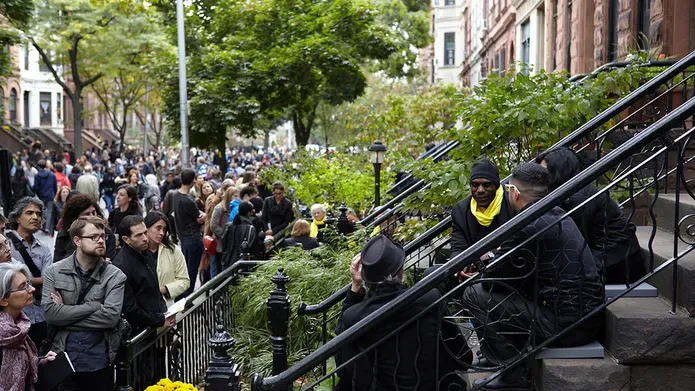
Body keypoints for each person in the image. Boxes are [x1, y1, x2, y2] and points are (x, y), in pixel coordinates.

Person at [463, 163, 604, 390]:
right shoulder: (553, 213)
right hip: (586, 318)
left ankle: (512, 371)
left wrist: (478, 266)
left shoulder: (529, 224)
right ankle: (496, 356)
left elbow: (495, 276)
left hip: (567, 327)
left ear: (514, 193)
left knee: (474, 293)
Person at [335, 235, 469, 391]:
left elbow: (342, 360)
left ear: (367, 279)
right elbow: (462, 355)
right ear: (400, 270)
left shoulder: (356, 315)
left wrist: (355, 287)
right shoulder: (430, 299)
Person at [536, 148, 646, 284]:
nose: (540, 178)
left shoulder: (579, 198)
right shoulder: (573, 191)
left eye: (544, 172)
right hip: (605, 256)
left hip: (617, 263)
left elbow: (570, 238)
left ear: (559, 170)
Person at [42, 216, 127, 391]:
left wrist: (64, 313)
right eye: (93, 237)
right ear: (77, 240)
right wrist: (95, 306)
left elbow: (110, 318)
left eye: (103, 236)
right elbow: (50, 315)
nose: (101, 241)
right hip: (64, 358)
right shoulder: (54, 272)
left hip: (99, 361)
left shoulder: (115, 275)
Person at [0, 263, 58, 391]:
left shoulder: (19, 326)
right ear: (3, 299)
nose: (32, 289)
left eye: (28, 283)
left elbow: (21, 367)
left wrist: (40, 362)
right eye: (23, 287)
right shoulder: (5, 334)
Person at [113, 215, 175, 333]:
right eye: (138, 235)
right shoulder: (121, 266)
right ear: (126, 239)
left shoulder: (145, 253)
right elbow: (130, 309)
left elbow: (154, 288)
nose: (145, 238)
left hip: (155, 325)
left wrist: (164, 313)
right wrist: (159, 319)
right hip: (140, 333)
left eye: (145, 233)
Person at [5, 197, 53, 348]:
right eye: (29, 213)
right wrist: (33, 281)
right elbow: (5, 282)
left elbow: (48, 280)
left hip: (40, 316)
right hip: (13, 318)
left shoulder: (44, 248)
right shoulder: (6, 244)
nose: (35, 217)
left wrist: (21, 283)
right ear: (18, 217)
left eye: (38, 214)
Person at [450, 158, 515, 262]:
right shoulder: (460, 211)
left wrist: (489, 256)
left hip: (506, 265)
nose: (480, 190)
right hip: (472, 270)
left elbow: (514, 240)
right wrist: (459, 267)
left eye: (487, 185)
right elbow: (458, 247)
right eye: (475, 185)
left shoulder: (511, 203)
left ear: (496, 186)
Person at [53, 194, 118, 263]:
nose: (92, 216)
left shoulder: (107, 234)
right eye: (87, 214)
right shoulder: (64, 235)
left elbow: (111, 260)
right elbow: (57, 262)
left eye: (93, 212)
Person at [144, 212, 190, 306]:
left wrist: (164, 289)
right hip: (141, 310)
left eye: (164, 229)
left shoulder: (173, 250)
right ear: (146, 228)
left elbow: (184, 280)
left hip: (166, 308)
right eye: (158, 228)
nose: (161, 233)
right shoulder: (137, 250)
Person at [173, 169, 206, 297]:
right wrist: (203, 216)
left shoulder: (176, 195)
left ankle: (182, 298)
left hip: (184, 238)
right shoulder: (188, 200)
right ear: (193, 181)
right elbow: (199, 218)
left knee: (185, 271)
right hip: (193, 239)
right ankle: (187, 298)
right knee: (191, 272)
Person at [219, 201, 265, 268]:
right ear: (249, 213)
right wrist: (261, 238)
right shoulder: (250, 229)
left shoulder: (228, 226)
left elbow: (223, 243)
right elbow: (254, 248)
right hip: (242, 264)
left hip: (227, 261)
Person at [209, 187, 238, 277]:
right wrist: (224, 234)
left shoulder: (235, 207)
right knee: (219, 269)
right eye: (235, 196)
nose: (237, 198)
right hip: (221, 244)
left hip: (231, 244)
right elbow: (213, 225)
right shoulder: (219, 208)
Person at [33, 160, 58, 236]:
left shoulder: (37, 175)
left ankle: (43, 225)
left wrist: (37, 193)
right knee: (49, 211)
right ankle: (47, 227)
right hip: (50, 195)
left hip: (41, 195)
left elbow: (36, 187)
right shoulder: (51, 174)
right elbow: (55, 186)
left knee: (42, 210)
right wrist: (54, 193)